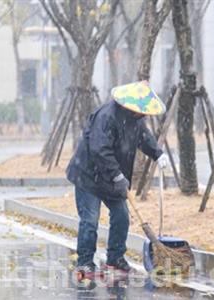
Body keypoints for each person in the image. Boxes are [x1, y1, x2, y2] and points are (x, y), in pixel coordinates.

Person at [66, 81, 169, 276]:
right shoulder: (106, 116)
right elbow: (99, 149)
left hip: (112, 178)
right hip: (89, 176)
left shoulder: (135, 119)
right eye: (143, 111)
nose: (145, 115)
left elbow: (144, 137)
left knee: (121, 216)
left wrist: (158, 153)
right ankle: (85, 262)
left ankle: (115, 258)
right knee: (90, 220)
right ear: (132, 106)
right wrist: (117, 175)